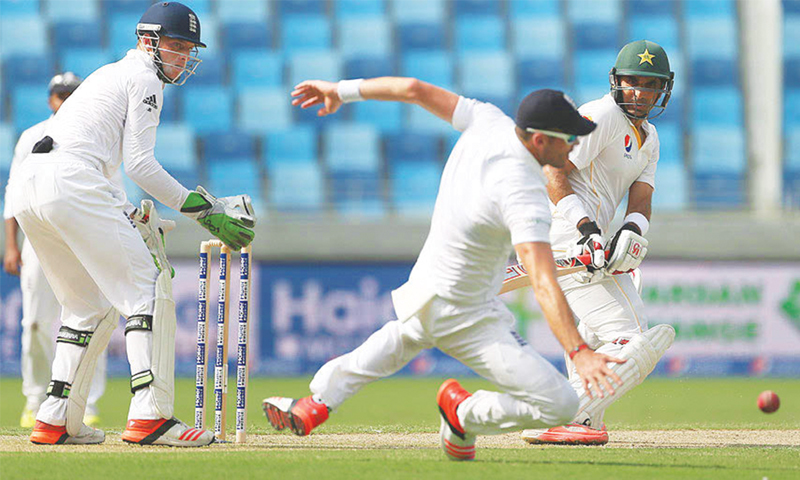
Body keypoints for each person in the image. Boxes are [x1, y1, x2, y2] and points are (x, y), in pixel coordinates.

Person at [262, 76, 628, 461]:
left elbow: (413, 90)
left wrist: (341, 90)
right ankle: (464, 413)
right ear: (539, 140)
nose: (574, 145)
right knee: (561, 404)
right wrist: (579, 351)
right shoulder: (523, 188)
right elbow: (541, 278)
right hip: (466, 316)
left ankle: (317, 402)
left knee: (399, 340)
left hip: (426, 286)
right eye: (568, 137)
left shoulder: (488, 120)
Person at [6, 2, 255, 446]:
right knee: (148, 289)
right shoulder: (144, 77)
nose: (182, 57)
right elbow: (139, 164)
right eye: (176, 46)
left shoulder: (109, 74)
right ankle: (150, 416)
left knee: (85, 306)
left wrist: (125, 212)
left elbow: (97, 162)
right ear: (147, 40)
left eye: (188, 49)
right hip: (71, 182)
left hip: (34, 186)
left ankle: (55, 417)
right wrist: (204, 209)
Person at [521, 40, 676, 446]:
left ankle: (585, 420)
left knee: (593, 337)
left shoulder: (650, 138)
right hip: (568, 238)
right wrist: (587, 228)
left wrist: (630, 233)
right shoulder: (601, 115)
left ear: (663, 90)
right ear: (617, 82)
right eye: (632, 82)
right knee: (634, 337)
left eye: (651, 84)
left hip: (593, 243)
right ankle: (565, 413)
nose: (640, 92)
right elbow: (553, 170)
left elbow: (641, 200)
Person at [3, 72, 111, 429]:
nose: (65, 99)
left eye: (71, 93)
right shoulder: (31, 136)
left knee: (91, 319)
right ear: (50, 99)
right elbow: (14, 191)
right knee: (34, 322)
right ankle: (35, 399)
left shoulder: (97, 134)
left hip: (83, 239)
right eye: (60, 94)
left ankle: (85, 400)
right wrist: (11, 245)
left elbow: (110, 190)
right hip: (37, 239)